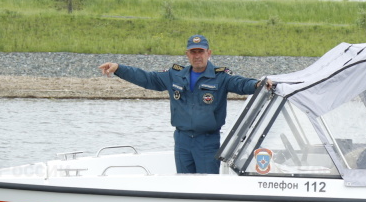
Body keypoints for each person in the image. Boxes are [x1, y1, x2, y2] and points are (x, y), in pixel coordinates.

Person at [99, 34, 271, 174]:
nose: (197, 56)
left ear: (209, 53)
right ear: (187, 54)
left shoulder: (220, 76)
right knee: (183, 185)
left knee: (206, 188)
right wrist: (119, 68)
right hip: (182, 140)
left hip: (207, 141)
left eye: (201, 51)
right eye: (193, 52)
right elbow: (147, 78)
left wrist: (257, 84)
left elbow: (240, 83)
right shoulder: (175, 75)